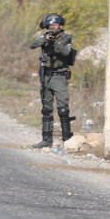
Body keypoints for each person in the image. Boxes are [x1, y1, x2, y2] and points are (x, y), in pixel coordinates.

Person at [29, 13, 76, 148]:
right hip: (46, 76)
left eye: (55, 25)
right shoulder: (46, 37)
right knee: (46, 109)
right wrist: (45, 40)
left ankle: (67, 139)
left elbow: (65, 52)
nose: (52, 27)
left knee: (62, 109)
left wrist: (54, 41)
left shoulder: (65, 38)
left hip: (59, 76)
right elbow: (32, 45)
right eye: (50, 25)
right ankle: (46, 139)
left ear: (60, 26)